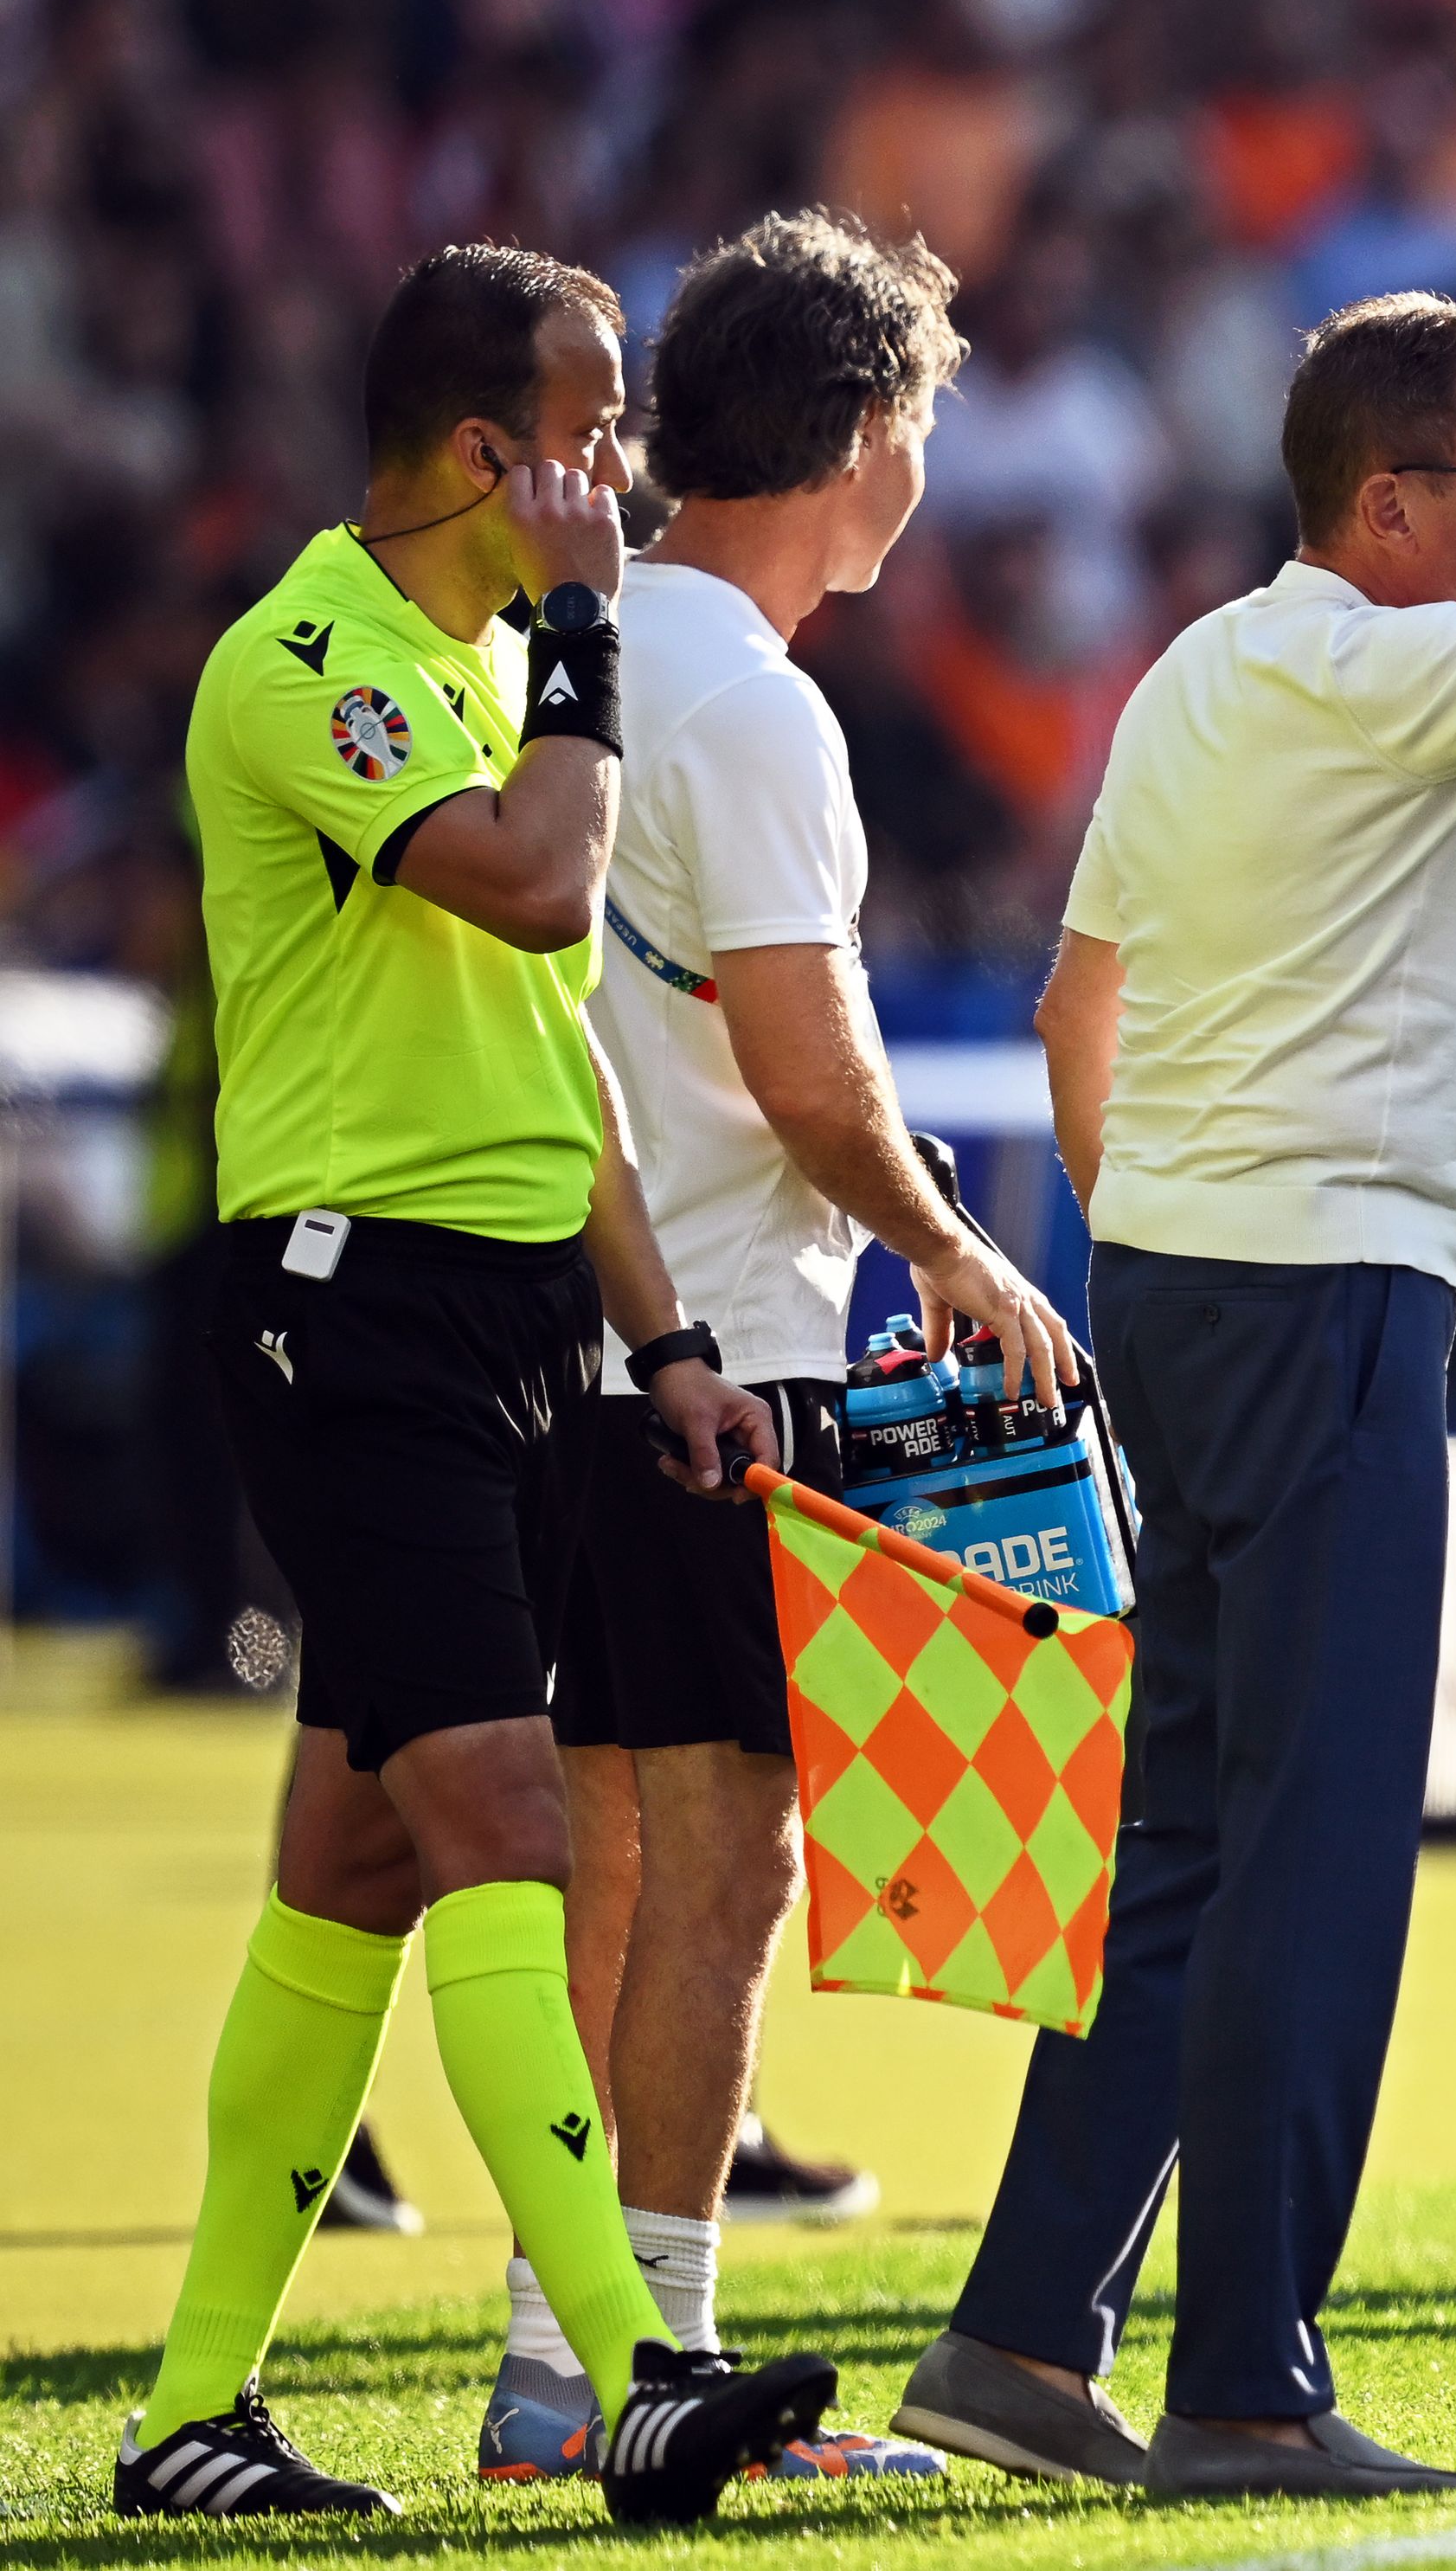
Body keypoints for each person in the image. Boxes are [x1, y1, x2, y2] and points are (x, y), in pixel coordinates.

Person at [888, 294, 1456, 2499]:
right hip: (1319, 1278)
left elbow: (1087, 998)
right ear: (1386, 505)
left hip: (1195, 1266)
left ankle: (1019, 2332)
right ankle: (1247, 2375)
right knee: (1315, 1843)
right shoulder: (1374, 661)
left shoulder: (1205, 667)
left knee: (1179, 1835)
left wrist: (1150, 1206)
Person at [122, 241, 839, 2523]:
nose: (617, 467)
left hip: (518, 1318)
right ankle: (620, 2370)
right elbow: (541, 898)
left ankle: (188, 2412)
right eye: (591, 422)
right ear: (480, 455)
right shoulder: (313, 664)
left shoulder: (492, 666)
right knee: (514, 1828)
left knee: (350, 1863)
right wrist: (596, 635)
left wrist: (672, 1343)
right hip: (353, 1314)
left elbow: (557, 1067)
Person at [478, 210, 1067, 2486]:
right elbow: (819, 1083)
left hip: (578, 1339)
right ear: (865, 438)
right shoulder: (758, 701)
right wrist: (966, 1253)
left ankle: (565, 2357)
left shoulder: (587, 641)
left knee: (611, 1850)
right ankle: (663, 2356)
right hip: (730, 1347)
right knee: (724, 1860)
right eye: (918, 416)